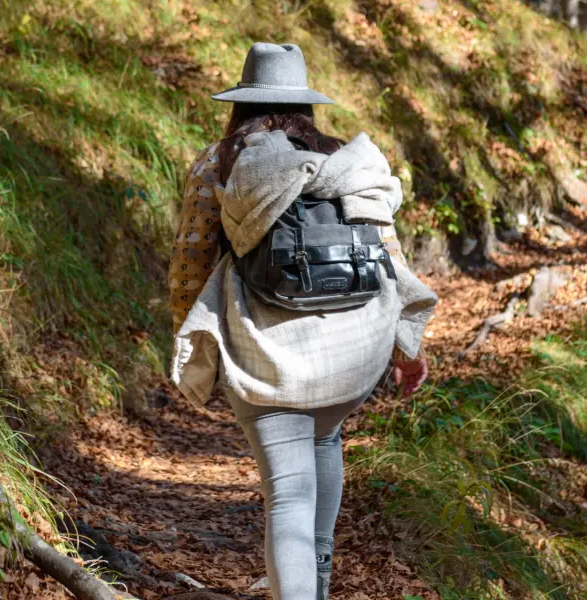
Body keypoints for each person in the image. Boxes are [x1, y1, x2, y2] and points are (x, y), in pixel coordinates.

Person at [168, 43, 437, 600]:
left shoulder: (219, 162)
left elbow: (190, 262)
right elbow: (390, 256)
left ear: (242, 102)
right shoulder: (344, 161)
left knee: (288, 496)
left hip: (269, 355)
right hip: (351, 353)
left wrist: (195, 344)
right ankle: (314, 587)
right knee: (325, 441)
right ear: (305, 104)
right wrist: (408, 346)